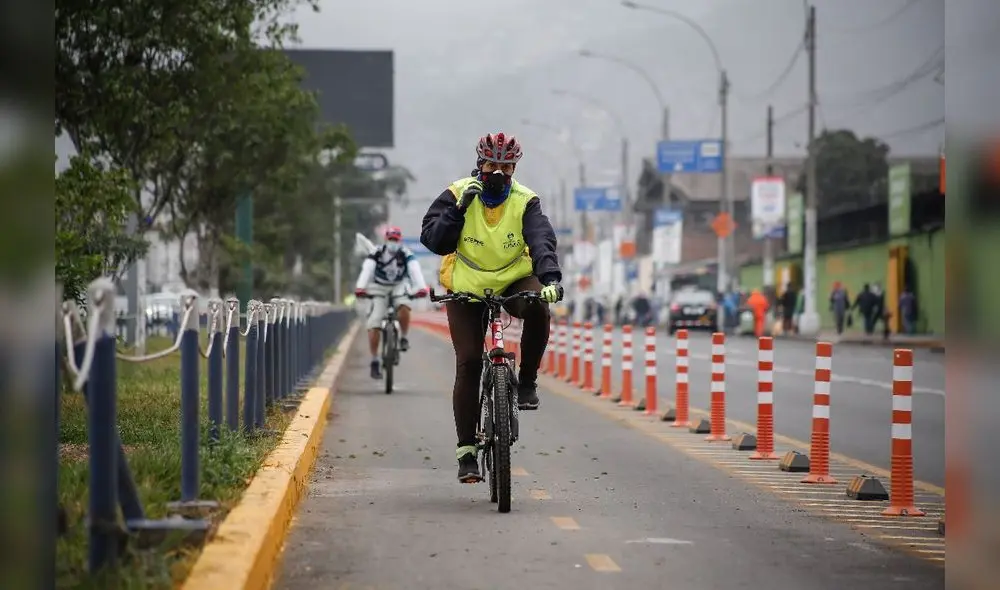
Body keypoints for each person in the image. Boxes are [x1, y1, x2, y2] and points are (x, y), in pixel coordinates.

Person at [420, 132, 563, 483]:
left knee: (539, 309)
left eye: (505, 167)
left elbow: (541, 239)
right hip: (466, 286)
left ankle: (527, 381)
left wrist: (551, 280)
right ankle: (466, 451)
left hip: (514, 279)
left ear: (514, 168)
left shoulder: (526, 200)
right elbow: (434, 240)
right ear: (479, 164)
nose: (497, 172)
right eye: (491, 165)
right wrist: (459, 210)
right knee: (468, 362)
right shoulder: (457, 192)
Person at [354, 226, 429, 379]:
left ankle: (404, 337)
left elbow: (415, 271)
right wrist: (360, 287)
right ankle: (375, 360)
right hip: (379, 287)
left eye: (395, 239)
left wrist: (421, 288)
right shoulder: (377, 253)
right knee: (374, 323)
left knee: (404, 305)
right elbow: (367, 270)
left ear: (399, 240)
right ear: (386, 240)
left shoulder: (405, 253)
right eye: (390, 239)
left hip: (399, 285)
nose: (393, 242)